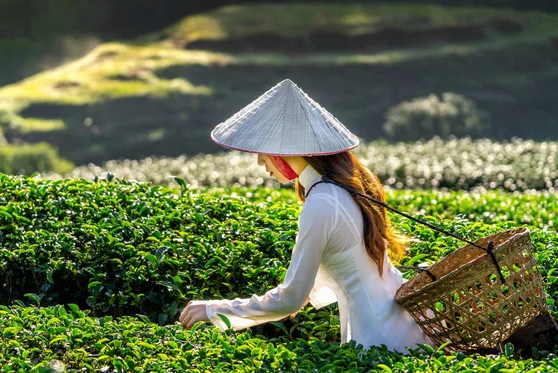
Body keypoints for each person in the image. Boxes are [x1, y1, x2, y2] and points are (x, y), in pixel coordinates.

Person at [178, 79, 437, 354]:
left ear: (286, 152)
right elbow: (347, 261)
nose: (260, 162)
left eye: (263, 152)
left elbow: (290, 300)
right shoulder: (345, 188)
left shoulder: (322, 202)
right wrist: (305, 291)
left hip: (377, 343)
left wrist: (213, 309)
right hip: (406, 328)